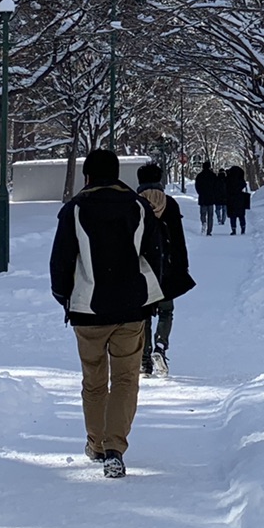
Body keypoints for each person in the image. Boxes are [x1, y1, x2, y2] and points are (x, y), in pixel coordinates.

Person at [49, 149, 167, 479]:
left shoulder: (73, 210)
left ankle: (96, 444)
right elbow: (155, 255)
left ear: (87, 176)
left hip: (87, 308)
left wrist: (64, 298)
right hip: (131, 307)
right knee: (126, 379)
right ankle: (115, 447)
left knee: (94, 379)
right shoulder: (138, 207)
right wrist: (150, 296)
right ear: (117, 175)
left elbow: (60, 262)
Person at [134, 161, 195, 375]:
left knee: (144, 313)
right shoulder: (170, 203)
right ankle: (161, 346)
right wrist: (182, 265)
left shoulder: (135, 204)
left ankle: (144, 358)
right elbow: (178, 238)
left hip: (142, 267)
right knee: (166, 311)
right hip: (167, 267)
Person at [194, 161, 220, 236]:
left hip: (202, 197)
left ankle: (203, 222)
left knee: (203, 213)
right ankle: (209, 231)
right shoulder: (213, 175)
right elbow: (216, 187)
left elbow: (197, 186)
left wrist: (200, 193)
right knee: (210, 215)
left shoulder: (199, 176)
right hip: (211, 198)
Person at [224, 163, 250, 234]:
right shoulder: (241, 180)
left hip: (231, 199)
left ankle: (233, 229)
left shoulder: (229, 180)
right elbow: (244, 185)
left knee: (233, 216)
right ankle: (243, 228)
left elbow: (225, 186)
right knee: (241, 215)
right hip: (240, 199)